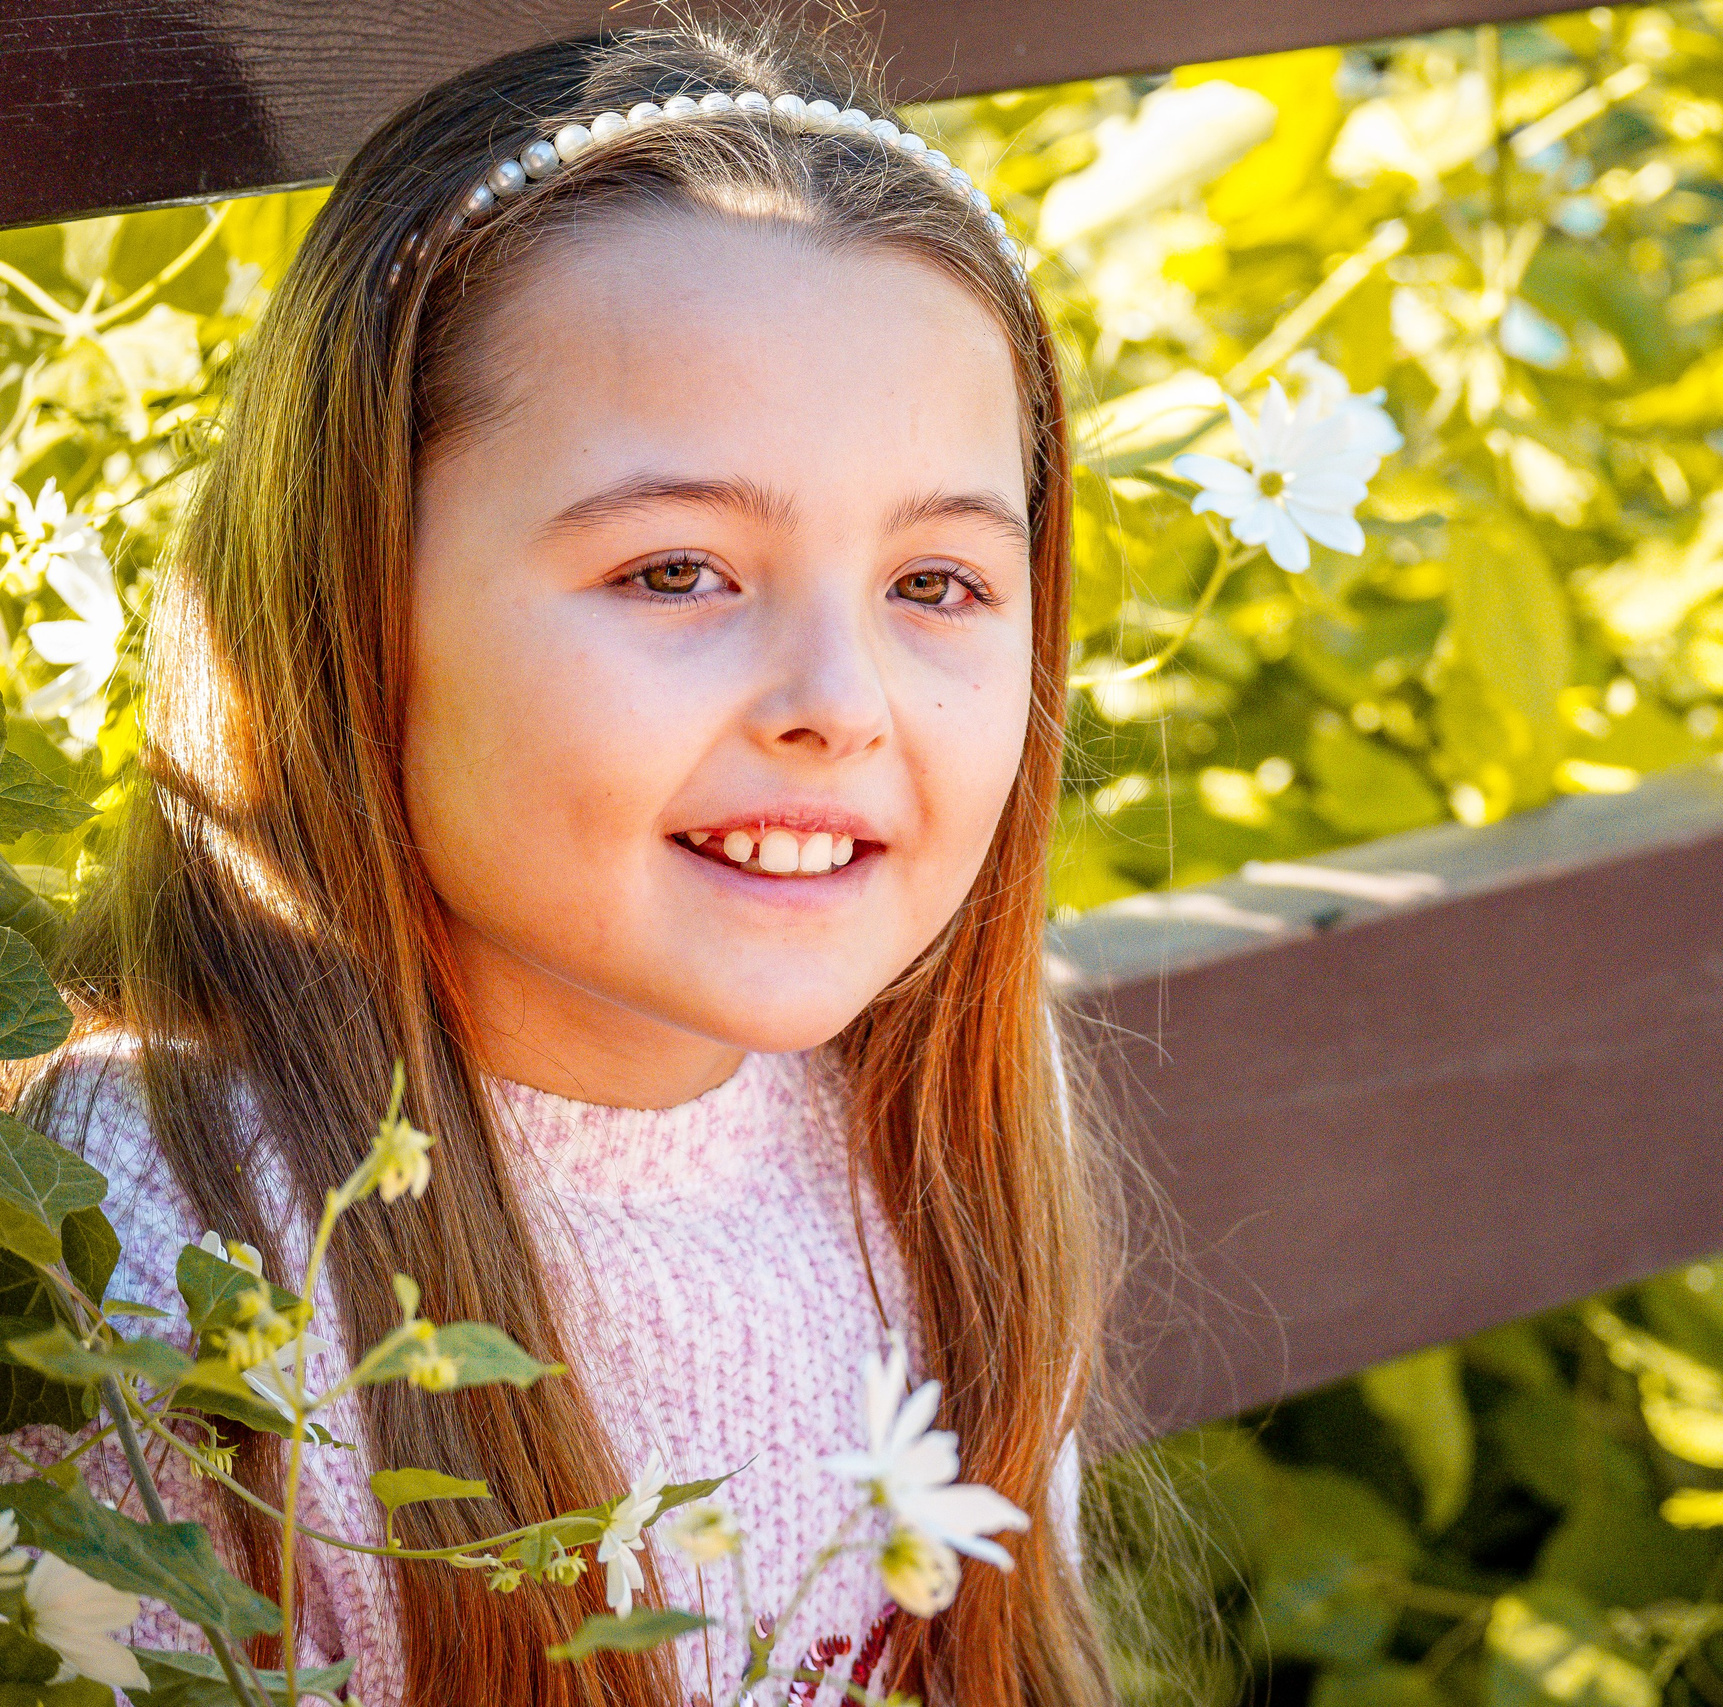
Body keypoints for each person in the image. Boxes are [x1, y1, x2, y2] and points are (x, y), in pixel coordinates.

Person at [6, 20, 1118, 1706]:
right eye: (675, 571)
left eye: (935, 584)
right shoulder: (165, 1250)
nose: (840, 705)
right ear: (353, 606)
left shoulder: (935, 1131)